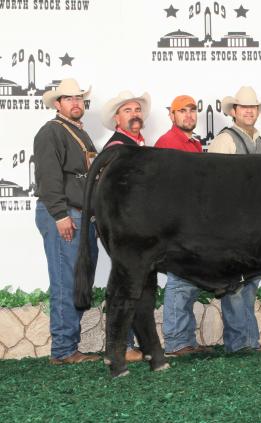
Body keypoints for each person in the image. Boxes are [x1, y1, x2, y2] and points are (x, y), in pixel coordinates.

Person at [34, 78, 100, 364]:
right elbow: (48, 178)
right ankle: (62, 350)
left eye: (79, 98)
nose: (76, 103)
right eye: (69, 99)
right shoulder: (51, 132)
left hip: (82, 214)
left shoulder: (79, 133)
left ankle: (68, 346)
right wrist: (60, 215)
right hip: (65, 213)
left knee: (77, 280)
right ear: (57, 104)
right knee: (65, 281)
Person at [208, 86, 261, 352]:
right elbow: (213, 184)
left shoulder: (260, 140)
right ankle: (237, 342)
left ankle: (250, 340)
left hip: (256, 223)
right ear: (234, 111)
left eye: (253, 107)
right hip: (233, 223)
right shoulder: (225, 140)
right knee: (234, 283)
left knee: (250, 282)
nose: (249, 111)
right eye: (244, 107)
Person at [154, 95, 211, 357]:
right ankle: (176, 342)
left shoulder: (194, 144)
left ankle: (184, 339)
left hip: (193, 224)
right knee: (179, 282)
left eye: (192, 110)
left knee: (187, 282)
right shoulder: (168, 143)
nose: (188, 115)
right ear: (171, 115)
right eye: (182, 111)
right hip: (178, 225)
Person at [100, 90, 152, 362]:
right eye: (128, 111)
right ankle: (124, 345)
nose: (135, 115)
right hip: (128, 227)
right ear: (117, 118)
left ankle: (135, 345)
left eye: (137, 110)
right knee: (126, 281)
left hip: (141, 228)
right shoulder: (116, 148)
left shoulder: (139, 145)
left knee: (133, 281)